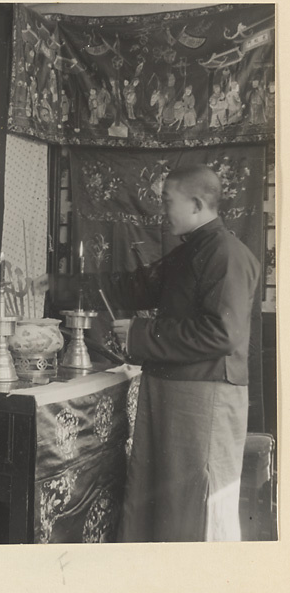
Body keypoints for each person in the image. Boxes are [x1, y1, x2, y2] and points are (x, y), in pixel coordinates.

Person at [105, 164, 260, 542]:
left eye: (167, 201)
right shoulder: (189, 252)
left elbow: (220, 333)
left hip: (205, 397)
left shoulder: (227, 255)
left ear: (195, 204)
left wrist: (139, 334)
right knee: (163, 502)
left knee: (198, 505)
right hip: (174, 393)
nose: (162, 210)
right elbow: (134, 288)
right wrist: (58, 282)